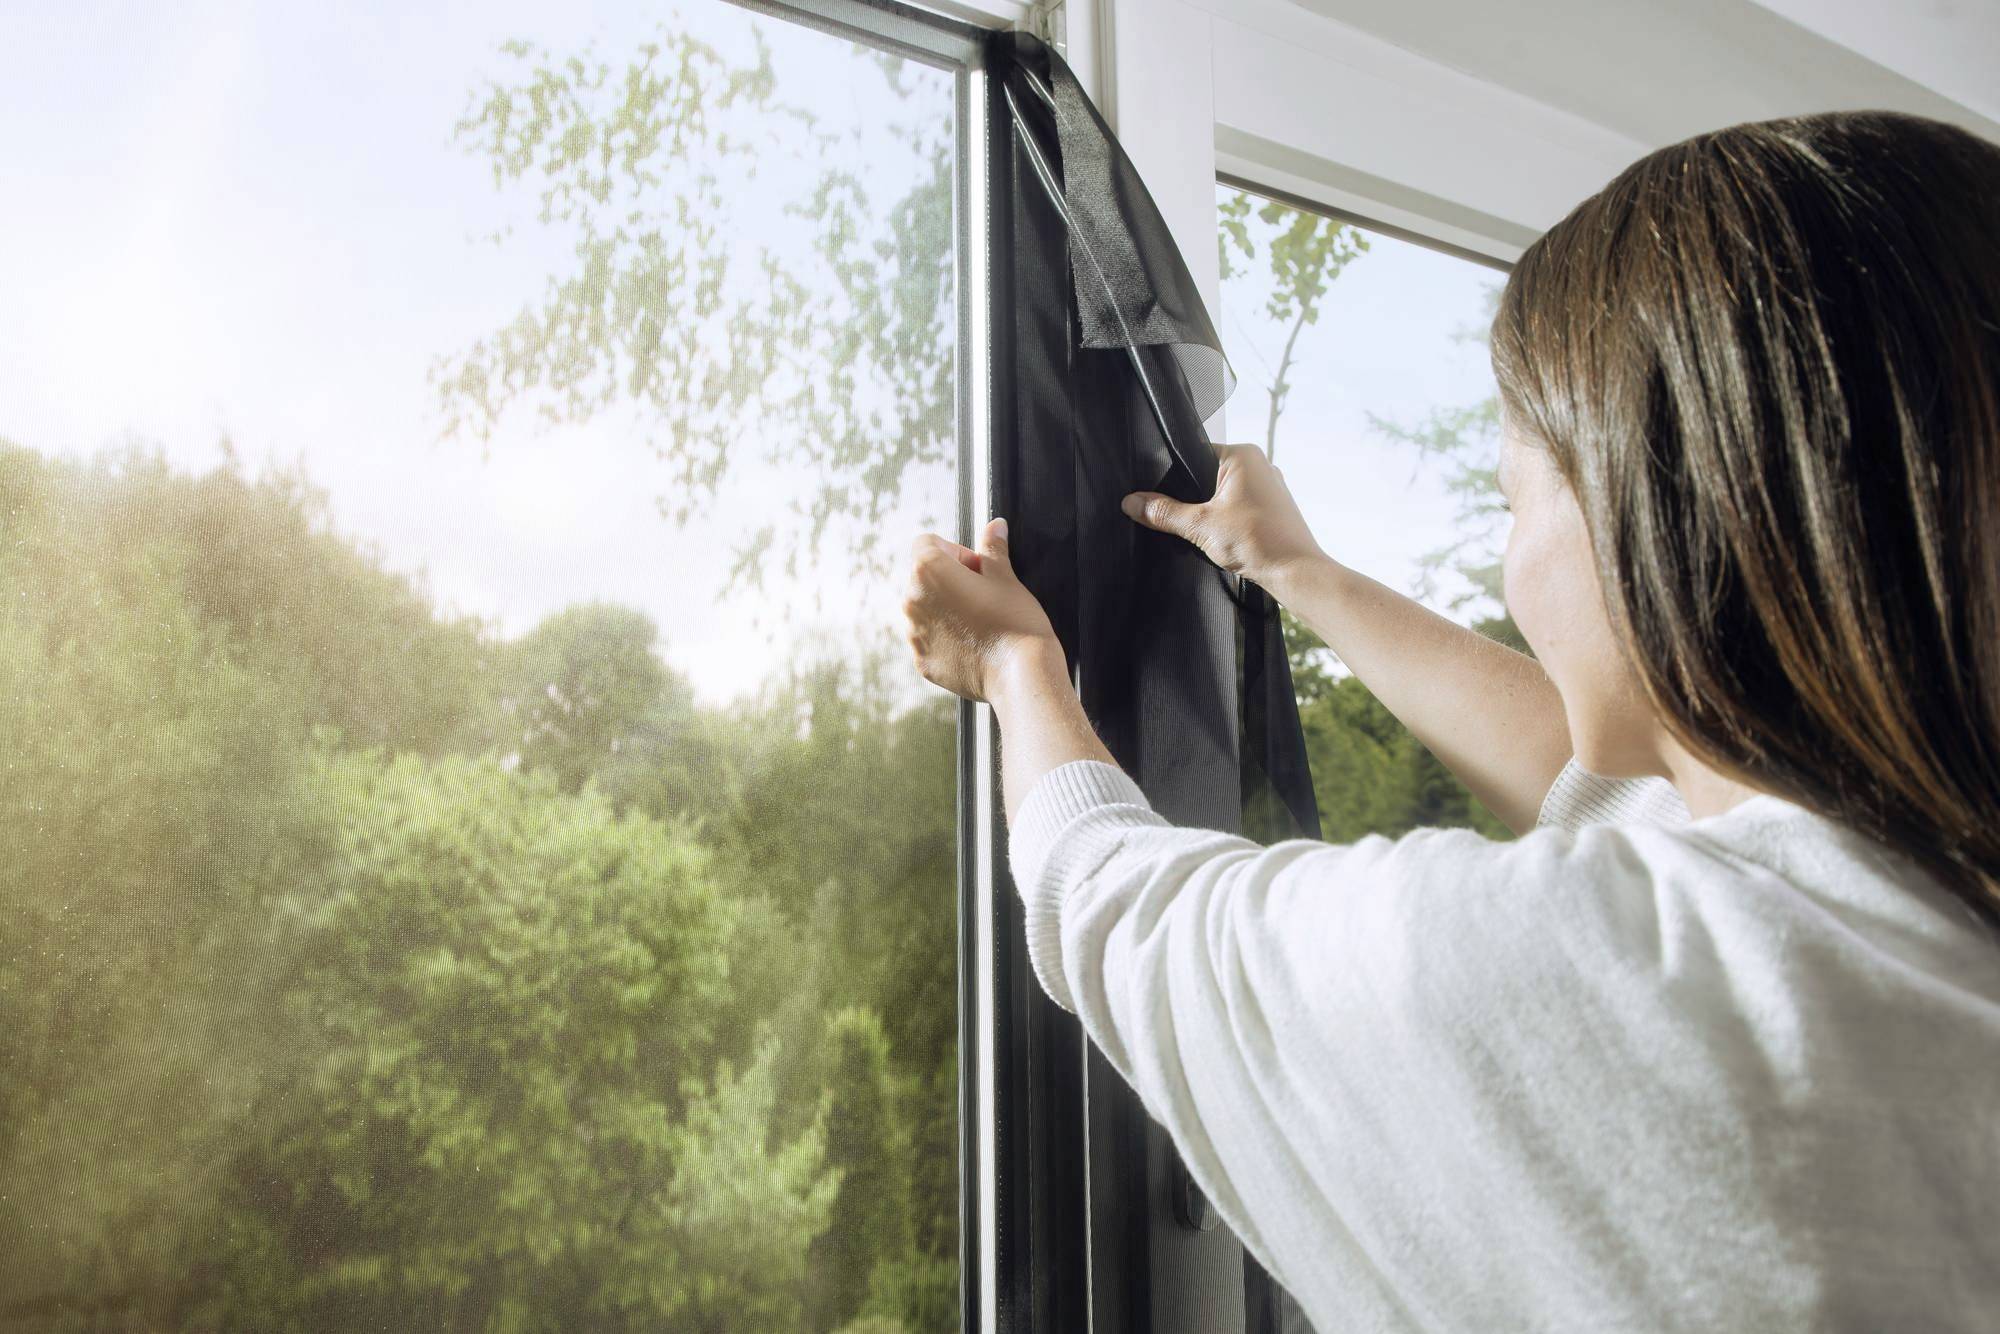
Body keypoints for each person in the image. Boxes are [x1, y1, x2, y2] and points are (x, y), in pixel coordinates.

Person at [901, 109, 2000, 1330]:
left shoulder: (1659, 999)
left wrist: (1013, 665)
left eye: (1513, 498)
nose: (1508, 556)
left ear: (1656, 527)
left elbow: (1125, 908)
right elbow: (1652, 793)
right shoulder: (1929, 895)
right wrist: (1296, 571)